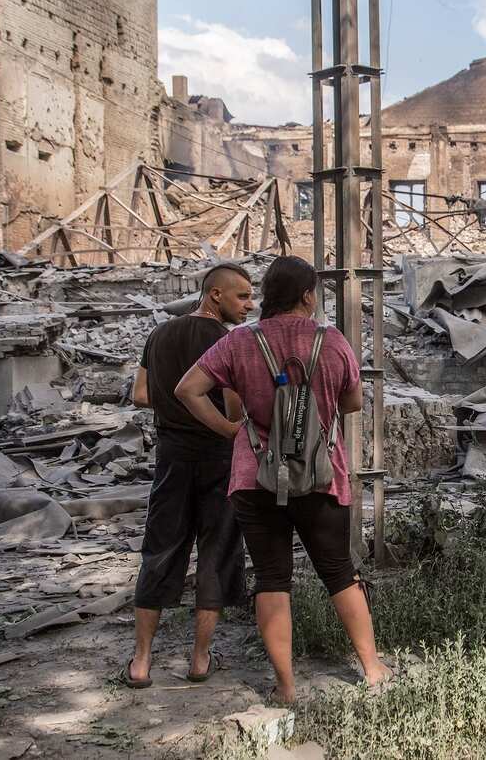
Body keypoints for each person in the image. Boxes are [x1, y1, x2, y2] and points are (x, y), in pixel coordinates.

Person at [174, 255, 389, 703]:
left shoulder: (238, 342)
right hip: (320, 475)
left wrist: (229, 429)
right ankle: (372, 668)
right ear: (308, 295)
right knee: (339, 572)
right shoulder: (332, 341)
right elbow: (351, 403)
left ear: (269, 294)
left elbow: (186, 389)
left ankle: (286, 687)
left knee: (272, 579)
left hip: (256, 477)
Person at [120, 263, 254, 689]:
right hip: (218, 458)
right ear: (215, 295)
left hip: (171, 458)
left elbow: (141, 395)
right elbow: (234, 411)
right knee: (217, 554)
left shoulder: (159, 335)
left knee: (160, 550)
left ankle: (141, 662)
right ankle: (199, 659)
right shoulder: (228, 342)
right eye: (242, 296)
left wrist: (174, 409)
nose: (249, 305)